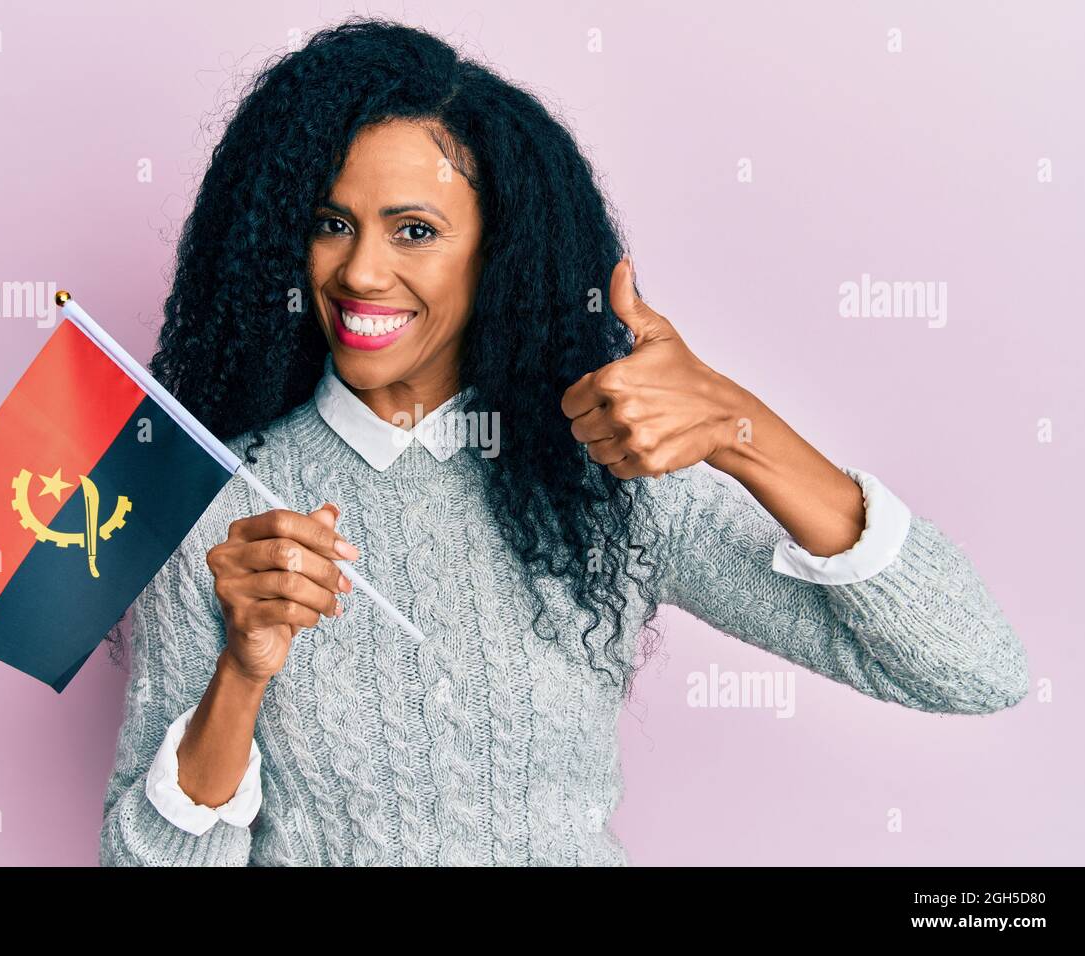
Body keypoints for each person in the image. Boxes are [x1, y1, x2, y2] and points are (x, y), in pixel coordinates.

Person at [98, 17, 1028, 867]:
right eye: (330, 225)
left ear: (498, 253)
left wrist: (744, 431)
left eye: (413, 231)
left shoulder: (598, 477)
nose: (361, 272)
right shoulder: (220, 498)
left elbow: (976, 670)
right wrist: (243, 670)